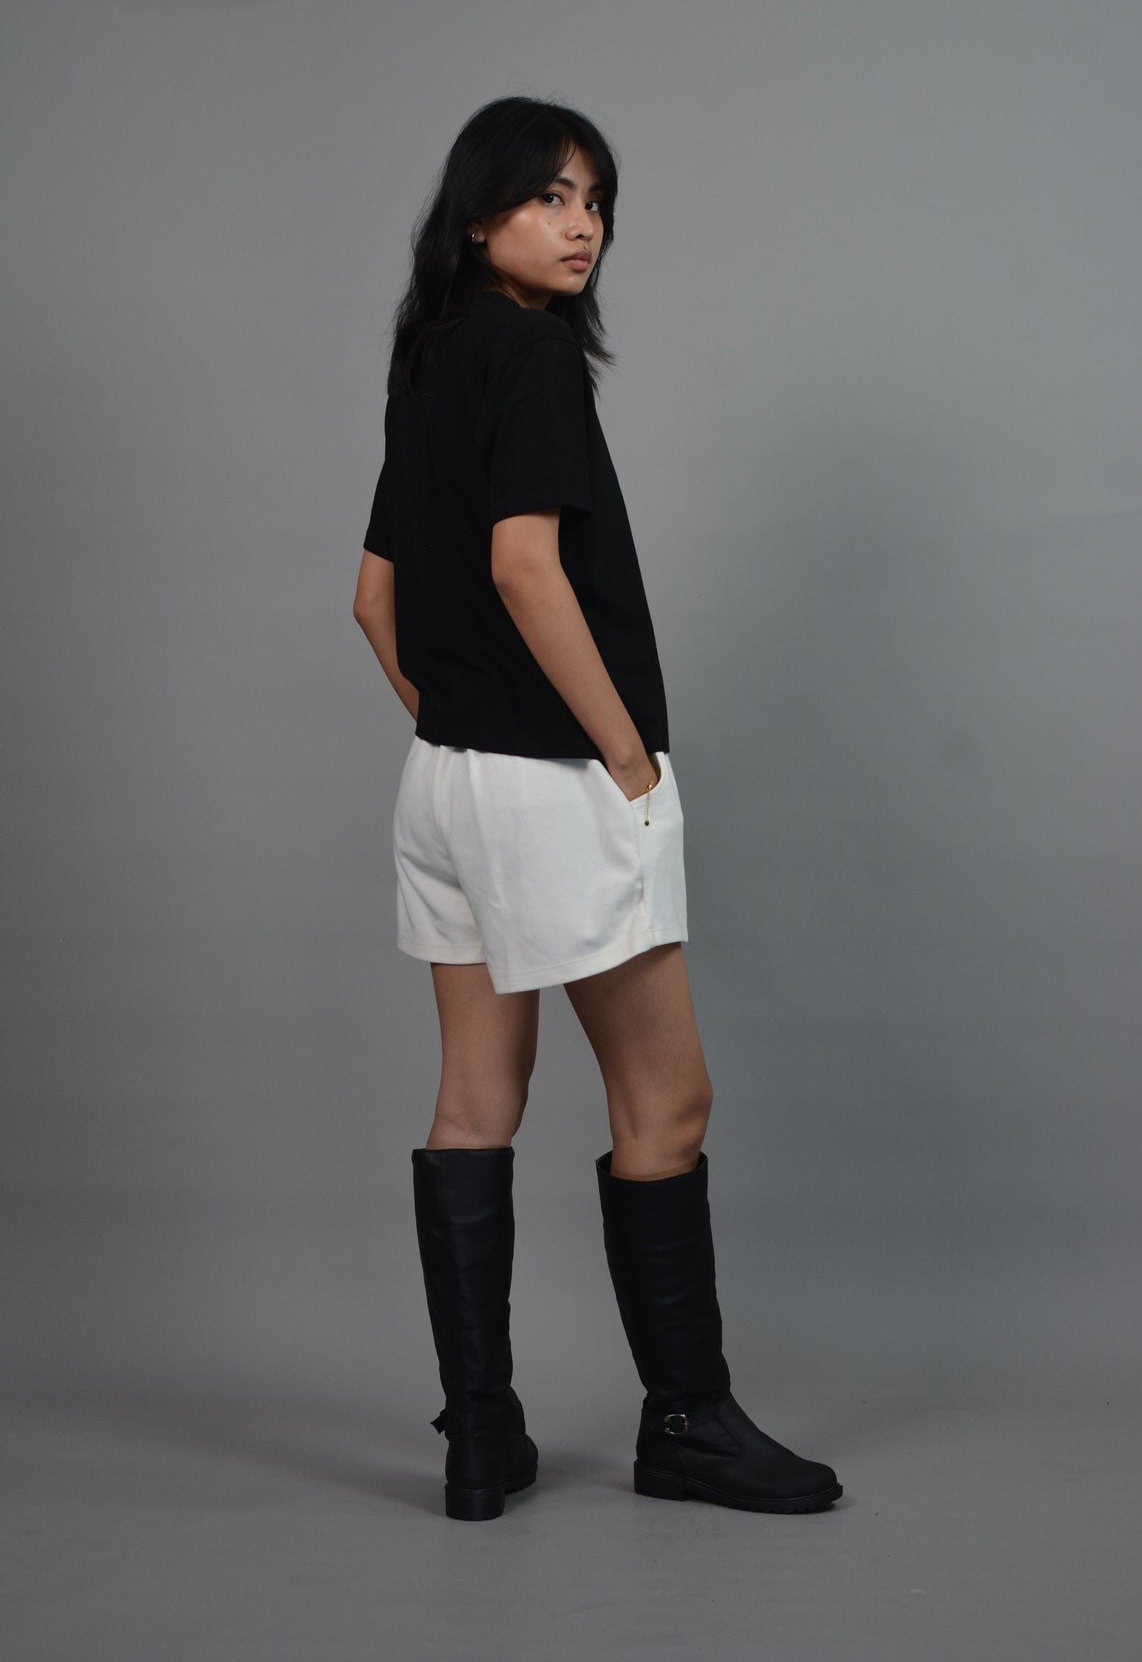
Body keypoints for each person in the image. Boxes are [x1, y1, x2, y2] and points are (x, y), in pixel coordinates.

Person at [353, 95, 843, 1522]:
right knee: (667, 1101)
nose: (583, 227)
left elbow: (373, 600)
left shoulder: (429, 363)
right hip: (558, 788)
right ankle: (686, 1424)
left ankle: (480, 1440)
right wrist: (623, 756)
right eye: (549, 197)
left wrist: (462, 719)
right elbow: (524, 567)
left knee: (472, 1099)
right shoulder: (532, 358)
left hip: (444, 786)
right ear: (477, 217)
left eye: (595, 200)